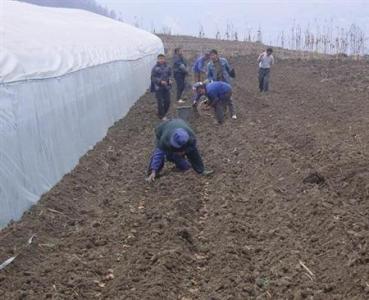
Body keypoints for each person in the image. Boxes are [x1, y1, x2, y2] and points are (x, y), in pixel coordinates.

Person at [146, 119, 213, 182]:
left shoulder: (191, 137)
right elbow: (158, 154)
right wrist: (153, 170)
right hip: (162, 130)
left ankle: (201, 170)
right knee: (166, 154)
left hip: (179, 125)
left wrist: (184, 151)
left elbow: (193, 151)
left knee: (191, 154)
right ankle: (152, 174)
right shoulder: (164, 139)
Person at [151, 54, 172, 120]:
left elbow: (170, 74)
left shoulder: (168, 67)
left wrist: (170, 80)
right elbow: (152, 78)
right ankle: (162, 116)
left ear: (164, 59)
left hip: (166, 87)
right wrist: (160, 81)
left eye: (162, 59)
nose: (161, 60)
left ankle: (162, 113)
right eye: (160, 59)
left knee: (167, 101)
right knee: (160, 102)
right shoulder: (155, 68)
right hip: (158, 87)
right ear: (158, 60)